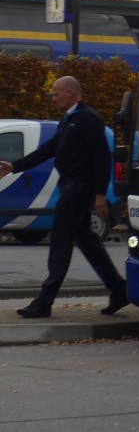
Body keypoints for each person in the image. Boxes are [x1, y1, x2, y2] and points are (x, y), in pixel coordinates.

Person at [0, 76, 128, 318]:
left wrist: (100, 194)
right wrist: (14, 166)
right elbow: (48, 149)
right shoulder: (70, 120)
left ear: (71, 92)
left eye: (56, 93)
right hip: (70, 185)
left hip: (80, 188)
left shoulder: (89, 119)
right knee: (88, 242)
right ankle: (119, 289)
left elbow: (102, 159)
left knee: (60, 241)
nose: (53, 97)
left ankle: (44, 301)